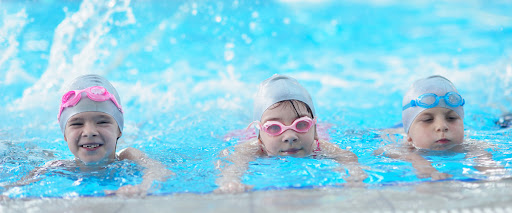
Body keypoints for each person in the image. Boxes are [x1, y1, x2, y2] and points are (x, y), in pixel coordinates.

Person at [3, 74, 173, 197]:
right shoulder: (58, 166)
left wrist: (143, 187)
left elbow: (159, 171)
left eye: (102, 122)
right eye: (77, 123)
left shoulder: (128, 156)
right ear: (64, 135)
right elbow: (18, 185)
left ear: (119, 130)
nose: (89, 131)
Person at [215, 74, 367, 193]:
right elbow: (232, 159)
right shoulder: (253, 148)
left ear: (314, 130)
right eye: (274, 127)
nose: (290, 136)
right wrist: (230, 181)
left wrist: (354, 174)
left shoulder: (319, 146)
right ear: (260, 135)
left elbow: (347, 157)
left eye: (301, 124)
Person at [375, 75, 501, 180]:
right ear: (409, 136)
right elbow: (382, 151)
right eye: (428, 120)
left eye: (451, 118)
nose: (442, 126)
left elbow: (488, 164)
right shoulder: (402, 147)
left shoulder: (472, 147)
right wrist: (417, 160)